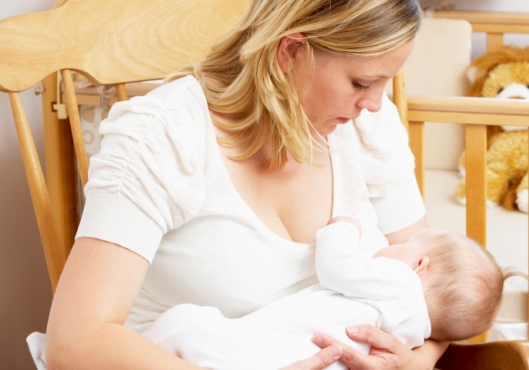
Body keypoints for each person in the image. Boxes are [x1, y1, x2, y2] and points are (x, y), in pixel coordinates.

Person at [41, 0, 450, 369]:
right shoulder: (164, 135)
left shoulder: (368, 127)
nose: (376, 102)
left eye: (385, 81)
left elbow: (441, 283)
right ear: (290, 52)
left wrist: (418, 360)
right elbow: (76, 342)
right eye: (361, 83)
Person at [139, 216, 521, 369]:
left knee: (184, 324)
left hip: (264, 354)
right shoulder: (411, 333)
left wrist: (343, 229)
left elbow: (340, 269)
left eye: (408, 244)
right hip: (306, 359)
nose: (389, 246)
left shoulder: (400, 283)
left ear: (419, 266)